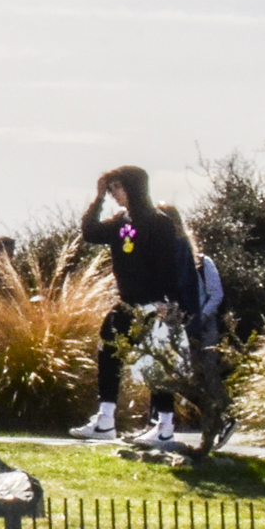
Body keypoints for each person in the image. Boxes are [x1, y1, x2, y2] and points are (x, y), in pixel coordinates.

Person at [71, 165, 201, 445]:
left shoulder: (159, 221)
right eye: (112, 188)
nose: (116, 193)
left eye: (118, 187)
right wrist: (98, 198)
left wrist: (167, 301)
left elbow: (167, 265)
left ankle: (164, 427)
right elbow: (90, 232)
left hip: (155, 303)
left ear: (134, 188)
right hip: (128, 302)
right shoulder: (122, 222)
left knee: (157, 363)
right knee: (108, 349)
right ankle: (105, 420)